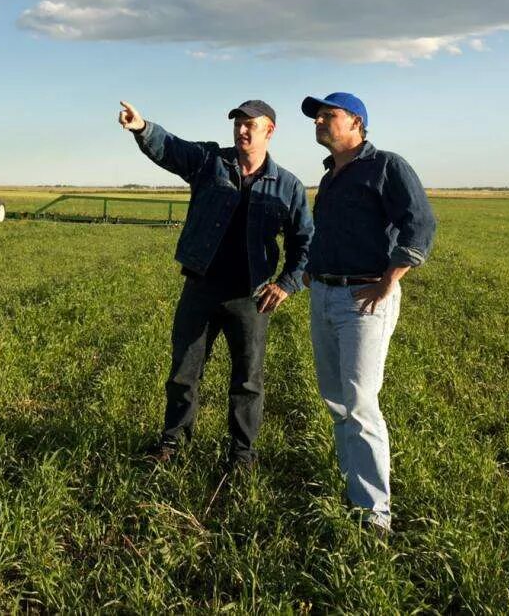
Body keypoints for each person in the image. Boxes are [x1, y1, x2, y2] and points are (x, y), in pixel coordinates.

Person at [118, 98, 313, 471]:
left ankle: (242, 454)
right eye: (237, 124)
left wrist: (287, 284)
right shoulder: (211, 163)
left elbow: (305, 242)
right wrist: (143, 128)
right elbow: (173, 150)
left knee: (248, 380)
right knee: (183, 373)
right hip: (202, 288)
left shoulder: (287, 186)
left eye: (249, 125)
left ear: (269, 131)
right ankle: (173, 441)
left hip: (251, 297)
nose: (241, 130)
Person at [300, 92, 436, 534]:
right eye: (317, 116)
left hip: (365, 298)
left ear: (356, 122)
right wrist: (312, 271)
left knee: (360, 403)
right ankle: (352, 487)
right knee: (336, 398)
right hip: (324, 293)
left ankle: (374, 514)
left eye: (328, 115)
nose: (319, 121)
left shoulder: (386, 165)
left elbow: (420, 223)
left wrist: (390, 278)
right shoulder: (332, 175)